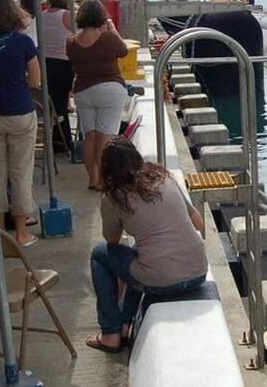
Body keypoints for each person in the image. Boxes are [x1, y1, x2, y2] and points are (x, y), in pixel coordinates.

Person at [87, 139, 207, 352]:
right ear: (137, 158)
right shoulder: (164, 178)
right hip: (198, 272)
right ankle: (124, 324)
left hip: (162, 281)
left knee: (99, 254)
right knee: (138, 257)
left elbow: (111, 240)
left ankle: (110, 333)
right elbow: (198, 222)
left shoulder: (114, 198)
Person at [0, 0, 39, 247]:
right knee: (21, 173)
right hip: (20, 111)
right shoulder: (23, 42)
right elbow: (35, 80)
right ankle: (22, 233)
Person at [67, 0, 129, 190]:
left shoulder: (71, 42)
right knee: (105, 137)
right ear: (101, 16)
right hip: (110, 88)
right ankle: (103, 179)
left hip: (83, 91)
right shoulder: (108, 38)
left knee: (90, 137)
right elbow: (124, 51)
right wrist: (111, 29)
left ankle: (93, 179)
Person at [41, 0, 75, 152]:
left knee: (55, 103)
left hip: (46, 63)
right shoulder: (67, 15)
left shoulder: (42, 16)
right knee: (62, 103)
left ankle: (59, 140)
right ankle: (64, 141)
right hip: (65, 62)